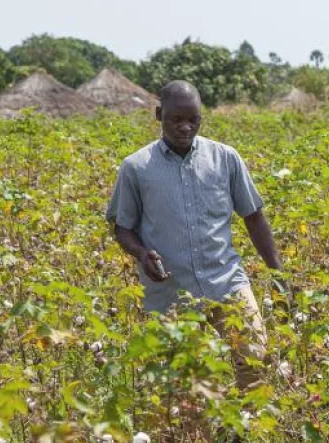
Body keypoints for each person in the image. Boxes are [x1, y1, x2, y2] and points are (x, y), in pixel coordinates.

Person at [106, 80, 283, 388]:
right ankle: (205, 436)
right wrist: (140, 253)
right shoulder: (136, 168)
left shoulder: (226, 159)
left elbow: (253, 216)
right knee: (191, 383)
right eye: (176, 119)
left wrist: (279, 273)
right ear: (159, 115)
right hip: (173, 293)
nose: (186, 127)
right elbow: (123, 227)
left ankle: (248, 433)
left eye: (193, 120)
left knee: (254, 359)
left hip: (226, 281)